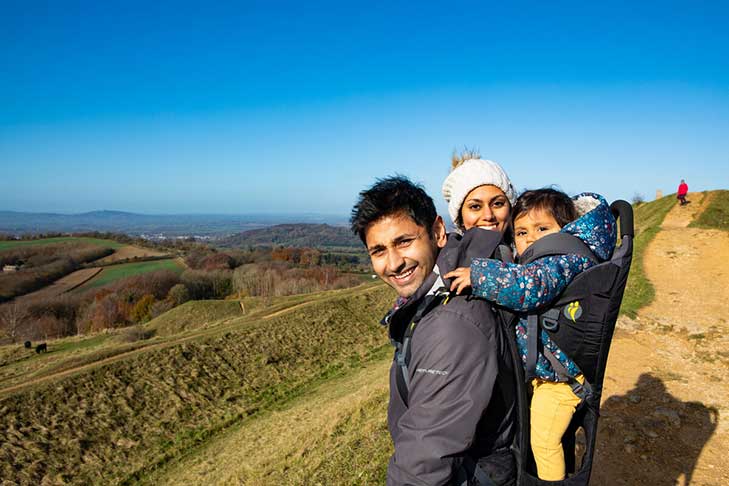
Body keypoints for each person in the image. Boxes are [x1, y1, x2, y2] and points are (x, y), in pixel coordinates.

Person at [350, 175, 516, 486]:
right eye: (379, 251)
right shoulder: (434, 296)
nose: (394, 263)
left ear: (438, 232)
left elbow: (425, 461)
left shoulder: (451, 323)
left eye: (404, 242)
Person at [445, 188, 616, 481]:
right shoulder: (554, 257)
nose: (532, 238)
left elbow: (531, 287)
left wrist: (480, 276)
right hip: (549, 374)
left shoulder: (563, 258)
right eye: (522, 232)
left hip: (561, 382)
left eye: (543, 228)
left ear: (567, 230)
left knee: (544, 442)